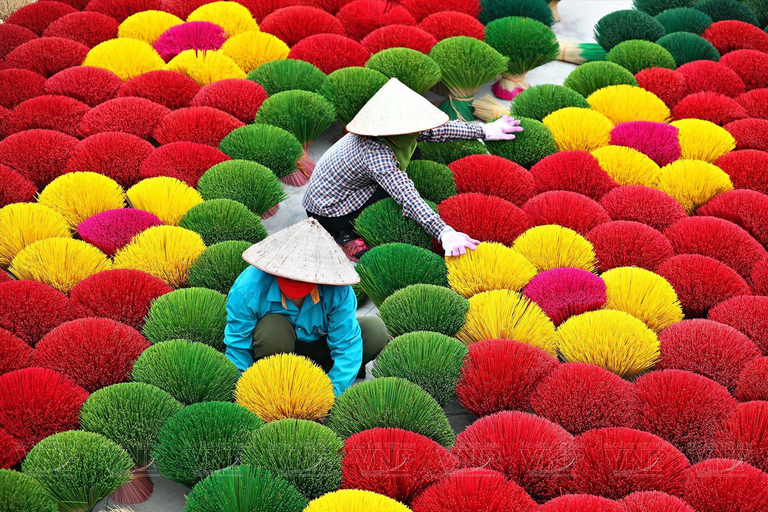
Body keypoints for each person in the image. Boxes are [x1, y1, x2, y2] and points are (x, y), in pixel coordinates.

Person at [303, 77, 523, 261]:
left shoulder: (397, 130)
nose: (421, 128)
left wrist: (484, 131)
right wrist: (444, 232)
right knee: (394, 201)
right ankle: (344, 234)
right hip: (331, 210)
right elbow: (408, 198)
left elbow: (439, 131)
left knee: (415, 152)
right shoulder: (375, 153)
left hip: (351, 186)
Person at [223, 218, 388, 396]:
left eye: (303, 279)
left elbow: (346, 345)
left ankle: (320, 378)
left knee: (374, 331)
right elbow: (238, 346)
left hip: (320, 350)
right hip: (274, 352)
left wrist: (330, 395)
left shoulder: (338, 291)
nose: (296, 283)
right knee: (273, 327)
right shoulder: (249, 288)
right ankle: (278, 383)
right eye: (289, 277)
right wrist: (248, 389)